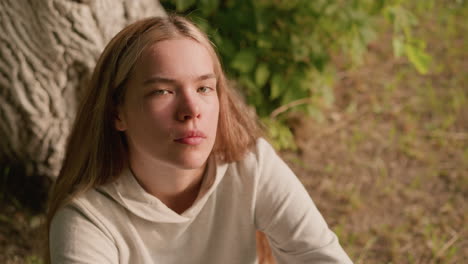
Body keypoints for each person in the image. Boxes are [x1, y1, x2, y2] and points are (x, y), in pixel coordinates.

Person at [46, 15, 353, 264]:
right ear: (117, 113)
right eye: (162, 91)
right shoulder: (86, 222)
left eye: (204, 88)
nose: (191, 110)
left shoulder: (250, 166)